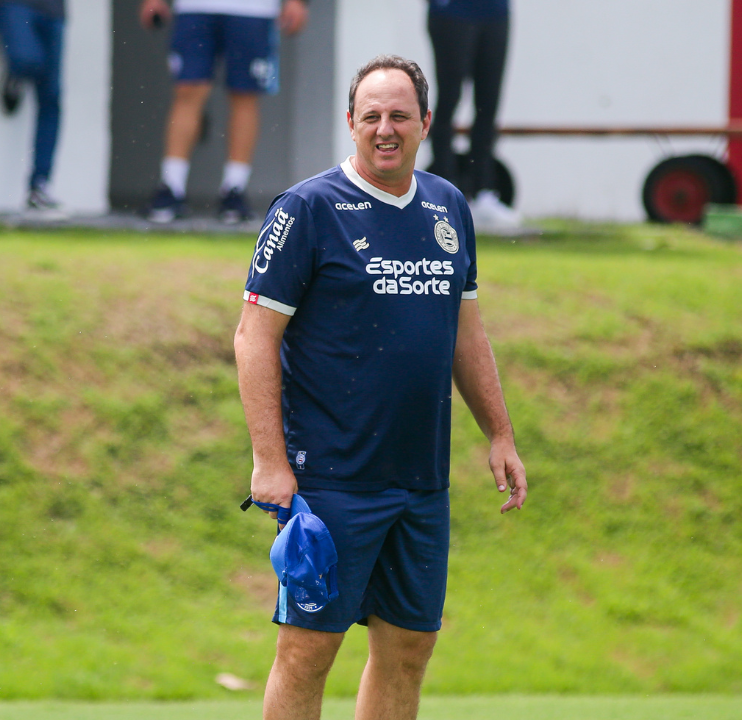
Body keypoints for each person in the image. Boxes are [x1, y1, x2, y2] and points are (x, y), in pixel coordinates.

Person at [234, 55, 527, 720]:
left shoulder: (447, 206)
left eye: (399, 115)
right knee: (306, 655)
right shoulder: (308, 210)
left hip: (421, 482)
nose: (385, 129)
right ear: (350, 123)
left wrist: (500, 432)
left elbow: (465, 332)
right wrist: (270, 462)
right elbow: (254, 338)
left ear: (426, 122)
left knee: (408, 653)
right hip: (332, 481)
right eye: (371, 116)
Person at [139, 0, 308, 224]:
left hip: (254, 9)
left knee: (245, 94)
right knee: (188, 90)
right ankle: (171, 186)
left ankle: (234, 189)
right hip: (194, 8)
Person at [427, 0, 521, 232]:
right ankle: (444, 192)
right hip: (452, 11)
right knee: (449, 100)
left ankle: (483, 193)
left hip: (495, 12)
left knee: (488, 104)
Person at [0, 0, 65, 210]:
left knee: (51, 97)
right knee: (25, 59)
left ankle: (39, 185)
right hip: (13, 4)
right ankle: (15, 76)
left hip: (54, 9)